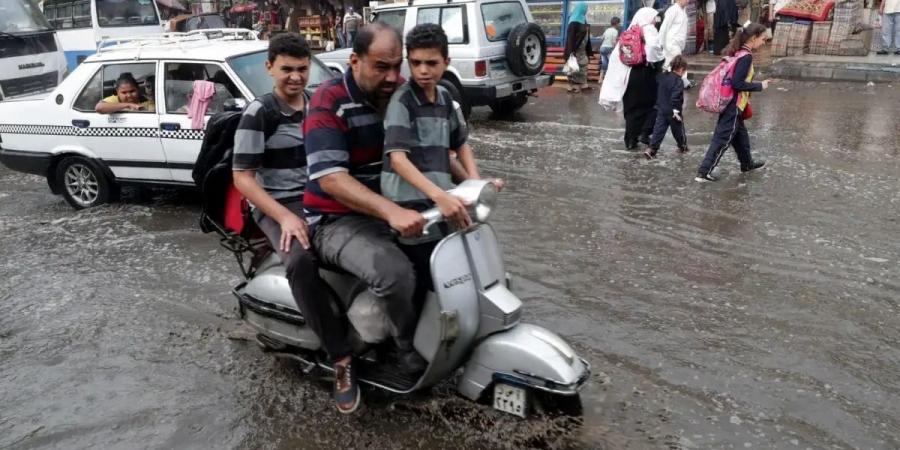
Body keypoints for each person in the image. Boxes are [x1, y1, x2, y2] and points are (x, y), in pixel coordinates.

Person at [231, 33, 357, 414]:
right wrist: (284, 216)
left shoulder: (319, 105)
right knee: (302, 262)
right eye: (287, 69)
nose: (296, 77)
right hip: (278, 204)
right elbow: (243, 178)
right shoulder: (260, 112)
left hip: (323, 196)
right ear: (270, 68)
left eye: (303, 69)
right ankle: (341, 360)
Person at [304, 23, 429, 384]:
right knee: (393, 273)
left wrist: (466, 184)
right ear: (354, 60)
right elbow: (332, 179)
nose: (393, 77)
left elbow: (433, 147)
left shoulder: (403, 94)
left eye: (397, 66)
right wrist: (391, 211)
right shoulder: (327, 102)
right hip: (335, 219)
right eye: (381, 67)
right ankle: (402, 350)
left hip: (396, 207)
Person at [381, 23, 504, 298]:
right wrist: (441, 196)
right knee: (426, 280)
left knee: (461, 268)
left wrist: (476, 186)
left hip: (440, 201)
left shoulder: (446, 99)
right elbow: (398, 161)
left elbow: (460, 144)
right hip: (410, 207)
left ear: (446, 62)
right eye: (416, 63)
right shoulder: (402, 102)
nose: (423, 70)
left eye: (431, 63)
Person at [695, 23, 773, 182]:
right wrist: (760, 85)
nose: (764, 42)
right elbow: (737, 84)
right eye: (763, 39)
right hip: (733, 106)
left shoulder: (740, 53)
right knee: (722, 139)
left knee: (741, 138)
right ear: (754, 38)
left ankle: (747, 164)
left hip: (734, 105)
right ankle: (704, 172)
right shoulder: (746, 57)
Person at [621, 7, 664, 150]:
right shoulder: (649, 29)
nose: (655, 20)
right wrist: (659, 62)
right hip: (645, 72)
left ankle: (630, 139)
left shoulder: (630, 30)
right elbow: (653, 49)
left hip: (630, 73)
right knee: (650, 104)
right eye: (654, 17)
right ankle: (643, 133)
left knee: (631, 107)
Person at [644, 55, 689, 159]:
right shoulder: (678, 81)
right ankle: (683, 146)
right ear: (682, 69)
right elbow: (675, 96)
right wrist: (676, 110)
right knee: (678, 130)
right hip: (673, 111)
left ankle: (651, 149)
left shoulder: (663, 76)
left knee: (659, 130)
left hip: (661, 108)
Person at [564, 2, 594, 93]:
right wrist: (571, 51)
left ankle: (582, 85)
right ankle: (573, 86)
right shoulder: (573, 22)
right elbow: (570, 38)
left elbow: (586, 37)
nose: (586, 10)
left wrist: (589, 50)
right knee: (574, 67)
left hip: (582, 49)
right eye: (585, 8)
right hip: (575, 49)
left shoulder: (582, 20)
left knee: (582, 66)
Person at [659, 0, 689, 71]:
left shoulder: (683, 11)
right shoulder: (672, 10)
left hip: (678, 45)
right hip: (672, 44)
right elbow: (664, 28)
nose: (687, 1)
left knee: (669, 68)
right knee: (677, 69)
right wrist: (661, 44)